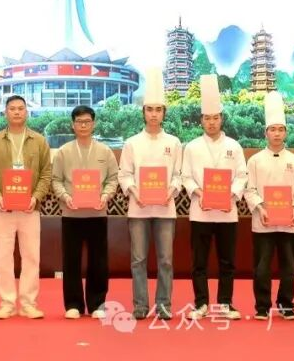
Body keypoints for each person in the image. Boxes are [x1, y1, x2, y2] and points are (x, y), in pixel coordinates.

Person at [118, 68, 183, 321]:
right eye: (149, 109)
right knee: (138, 260)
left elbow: (178, 175)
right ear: (143, 112)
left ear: (164, 112)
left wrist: (171, 191)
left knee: (166, 260)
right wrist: (135, 192)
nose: (154, 114)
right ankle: (140, 305)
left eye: (158, 110)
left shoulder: (174, 142)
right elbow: (125, 175)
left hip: (166, 209)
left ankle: (164, 305)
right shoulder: (132, 143)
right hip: (138, 209)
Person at [0, 95, 52, 319]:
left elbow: (46, 174)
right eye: (12, 108)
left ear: (26, 112)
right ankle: (7, 303)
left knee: (31, 257)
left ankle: (29, 303)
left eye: (21, 108)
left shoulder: (39, 141)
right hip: (3, 210)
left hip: (30, 209)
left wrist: (36, 197)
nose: (17, 112)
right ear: (5, 113)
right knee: (2, 258)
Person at [182, 75, 246, 320]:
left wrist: (230, 194)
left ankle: (225, 304)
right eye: (207, 118)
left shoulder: (234, 146)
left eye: (215, 118)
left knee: (227, 262)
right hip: (201, 212)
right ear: (201, 120)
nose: (211, 122)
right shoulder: (192, 147)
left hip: (227, 212)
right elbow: (186, 176)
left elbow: (242, 175)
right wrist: (200, 193)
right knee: (199, 262)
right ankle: (201, 304)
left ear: (221, 118)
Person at [51, 104, 119, 319]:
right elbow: (56, 180)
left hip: (97, 213)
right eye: (79, 122)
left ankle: (98, 303)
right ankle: (73, 304)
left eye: (87, 121)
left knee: (98, 261)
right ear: (73, 125)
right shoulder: (64, 151)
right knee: (71, 260)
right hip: (71, 213)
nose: (83, 125)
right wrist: (66, 197)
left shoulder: (105, 151)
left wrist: (105, 196)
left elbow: (113, 179)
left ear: (93, 124)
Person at [243, 91, 294, 321]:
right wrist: (261, 208)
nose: (277, 133)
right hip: (264, 222)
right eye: (273, 129)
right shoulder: (255, 160)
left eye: (281, 129)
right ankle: (262, 306)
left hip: (289, 222)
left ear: (286, 132)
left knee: (289, 267)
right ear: (266, 132)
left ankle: (286, 304)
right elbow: (249, 190)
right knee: (262, 267)